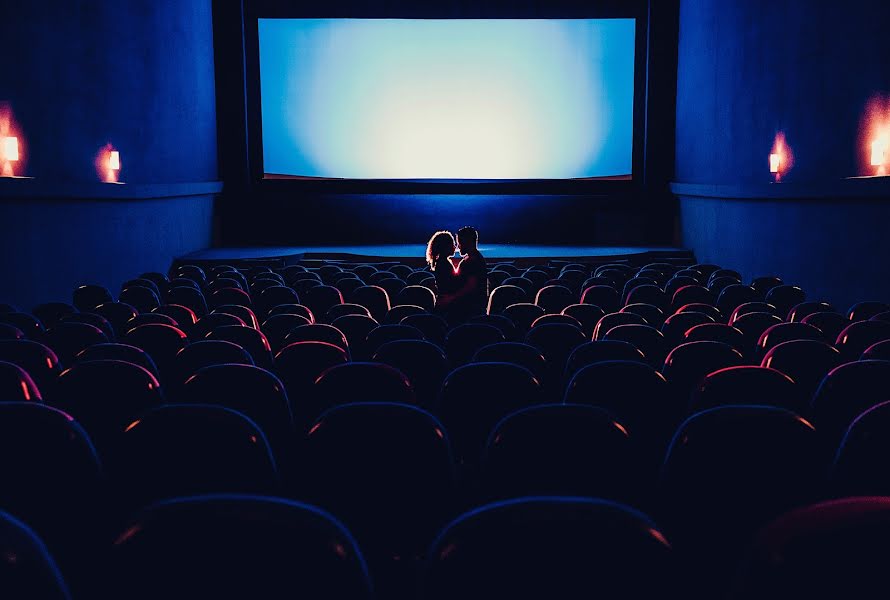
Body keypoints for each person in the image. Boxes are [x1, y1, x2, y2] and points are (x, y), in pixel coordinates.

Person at [445, 226, 489, 320]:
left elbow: (470, 287)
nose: (457, 246)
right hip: (471, 308)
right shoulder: (473, 258)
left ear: (466, 242)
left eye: (459, 242)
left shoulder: (473, 261)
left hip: (469, 311)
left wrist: (450, 298)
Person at [426, 231, 461, 313]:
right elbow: (452, 286)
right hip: (447, 304)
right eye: (452, 244)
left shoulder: (441, 263)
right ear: (446, 247)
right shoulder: (445, 264)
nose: (455, 246)